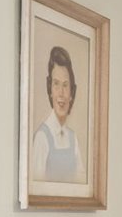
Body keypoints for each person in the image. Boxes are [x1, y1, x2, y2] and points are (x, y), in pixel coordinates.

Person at [30, 45, 84, 183]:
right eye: (56, 84)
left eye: (65, 85)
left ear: (71, 93)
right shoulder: (41, 138)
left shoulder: (73, 138)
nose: (61, 93)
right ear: (50, 90)